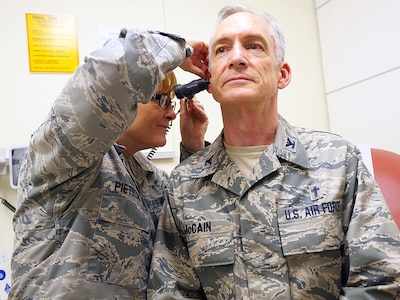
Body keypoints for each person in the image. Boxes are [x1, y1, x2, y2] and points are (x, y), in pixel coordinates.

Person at [147, 3, 400, 299]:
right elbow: (171, 293)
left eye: (254, 46)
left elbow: (383, 283)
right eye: (222, 50)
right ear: (209, 82)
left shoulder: (339, 161)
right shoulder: (183, 185)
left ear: (282, 74)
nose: (237, 58)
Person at [9, 27, 209, 299]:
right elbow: (113, 73)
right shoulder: (69, 154)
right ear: (129, 98)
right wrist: (180, 49)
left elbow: (188, 229)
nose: (171, 113)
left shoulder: (149, 179)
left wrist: (192, 147)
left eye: (172, 102)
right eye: (161, 99)